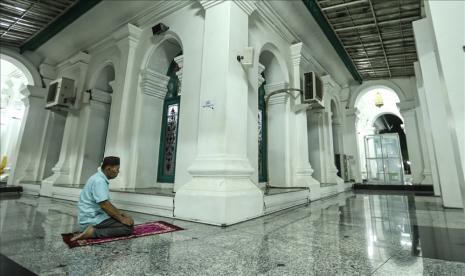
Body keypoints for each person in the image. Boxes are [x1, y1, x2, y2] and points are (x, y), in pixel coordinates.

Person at [71, 156, 134, 241]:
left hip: (94, 216)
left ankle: (92, 230)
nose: (118, 172)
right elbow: (105, 205)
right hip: (90, 219)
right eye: (117, 169)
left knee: (129, 221)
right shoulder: (99, 181)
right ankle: (93, 232)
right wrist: (121, 218)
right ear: (108, 169)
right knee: (127, 228)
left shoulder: (98, 177)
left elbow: (106, 204)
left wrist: (120, 213)